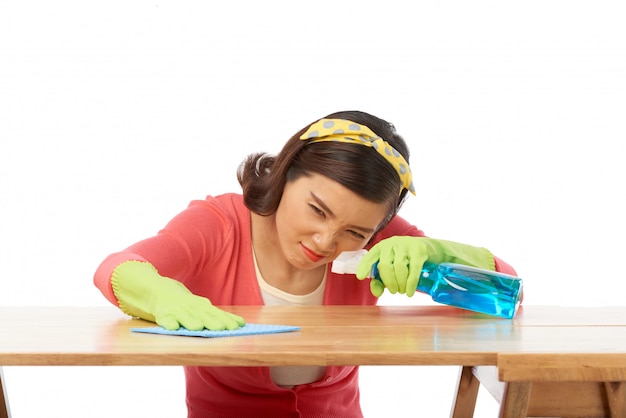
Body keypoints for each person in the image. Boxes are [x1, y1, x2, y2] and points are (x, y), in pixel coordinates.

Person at [94, 110, 517, 418]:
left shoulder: (381, 243)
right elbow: (118, 266)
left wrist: (437, 254)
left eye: (355, 232)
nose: (325, 241)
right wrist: (160, 293)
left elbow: (506, 289)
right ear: (285, 172)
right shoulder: (220, 224)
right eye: (317, 210)